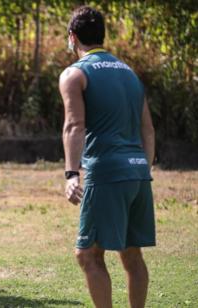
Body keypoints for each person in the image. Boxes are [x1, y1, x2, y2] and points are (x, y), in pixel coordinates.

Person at [59, 6, 156, 308]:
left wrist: (71, 174)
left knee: (88, 254)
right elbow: (148, 131)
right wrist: (143, 170)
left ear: (72, 37)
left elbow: (74, 125)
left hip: (107, 172)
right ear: (102, 35)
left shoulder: (75, 73)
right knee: (131, 254)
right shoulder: (129, 72)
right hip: (139, 172)